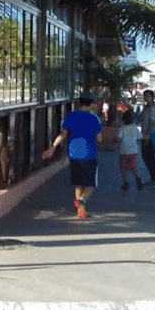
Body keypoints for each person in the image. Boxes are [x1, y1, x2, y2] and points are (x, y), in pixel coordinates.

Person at [42, 90, 102, 219]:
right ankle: (82, 201)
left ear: (78, 102)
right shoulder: (94, 118)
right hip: (89, 154)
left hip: (74, 154)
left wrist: (52, 147)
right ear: (90, 104)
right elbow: (100, 138)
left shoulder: (70, 116)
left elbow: (62, 135)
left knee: (78, 183)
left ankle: (80, 212)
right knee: (91, 184)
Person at [138, 89, 155, 187]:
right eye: (144, 96)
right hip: (145, 135)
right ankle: (153, 178)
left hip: (150, 136)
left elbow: (152, 123)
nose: (145, 98)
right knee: (146, 157)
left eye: (147, 96)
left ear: (152, 97)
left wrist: (146, 135)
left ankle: (154, 179)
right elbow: (139, 118)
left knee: (149, 157)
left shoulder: (153, 108)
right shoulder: (146, 108)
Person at [117, 109, 143, 191]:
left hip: (124, 152)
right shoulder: (135, 128)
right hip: (133, 151)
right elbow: (140, 137)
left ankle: (126, 183)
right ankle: (138, 180)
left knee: (123, 168)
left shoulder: (122, 129)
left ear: (123, 119)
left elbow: (118, 138)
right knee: (134, 167)